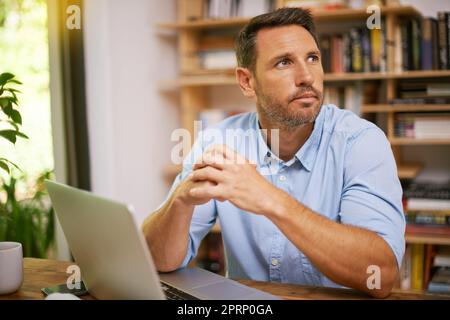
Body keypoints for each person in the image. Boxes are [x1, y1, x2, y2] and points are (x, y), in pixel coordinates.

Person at [142, 7, 405, 298]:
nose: (306, 76)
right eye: (284, 62)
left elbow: (380, 277)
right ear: (247, 81)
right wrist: (179, 201)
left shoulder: (361, 142)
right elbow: (159, 262)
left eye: (312, 58)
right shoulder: (217, 141)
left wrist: (269, 199)